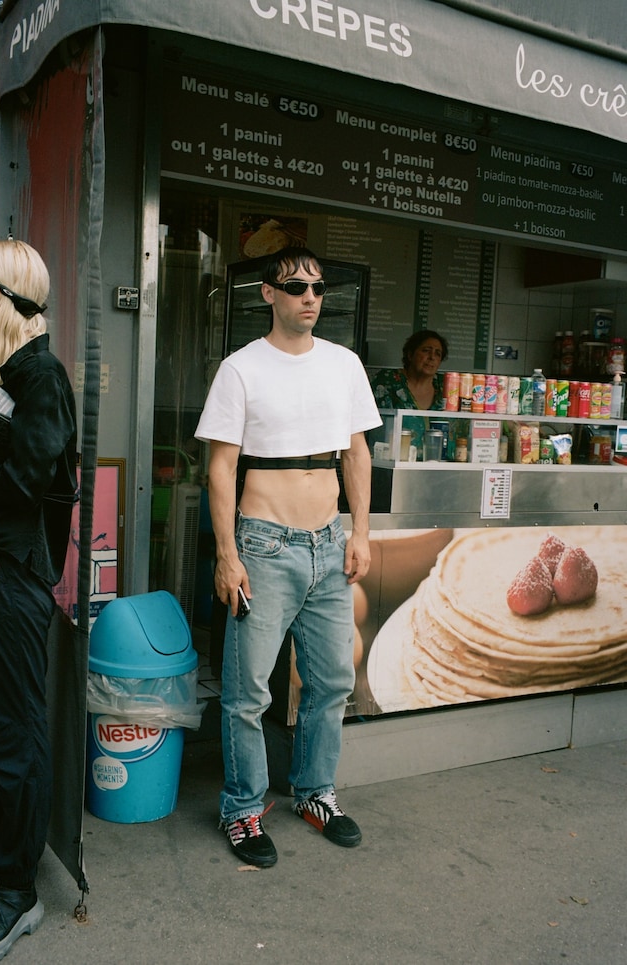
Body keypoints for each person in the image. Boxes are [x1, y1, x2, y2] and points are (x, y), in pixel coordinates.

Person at [195, 246, 381, 868]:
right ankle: (242, 809)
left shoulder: (345, 364)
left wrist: (359, 532)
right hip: (264, 544)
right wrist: (227, 553)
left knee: (331, 681)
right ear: (267, 294)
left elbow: (356, 453)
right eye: (296, 286)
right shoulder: (241, 368)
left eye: (318, 288)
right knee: (248, 694)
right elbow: (220, 468)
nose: (310, 297)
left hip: (329, 543)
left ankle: (314, 792)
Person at [0, 241, 77, 960]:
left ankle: (17, 891)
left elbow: (28, 479)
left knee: (14, 732)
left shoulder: (40, 374)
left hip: (11, 577)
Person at [370, 330, 449, 458]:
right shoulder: (387, 381)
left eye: (438, 354)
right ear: (410, 354)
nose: (432, 357)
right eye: (426, 350)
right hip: (390, 462)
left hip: (438, 465)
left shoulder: (445, 386)